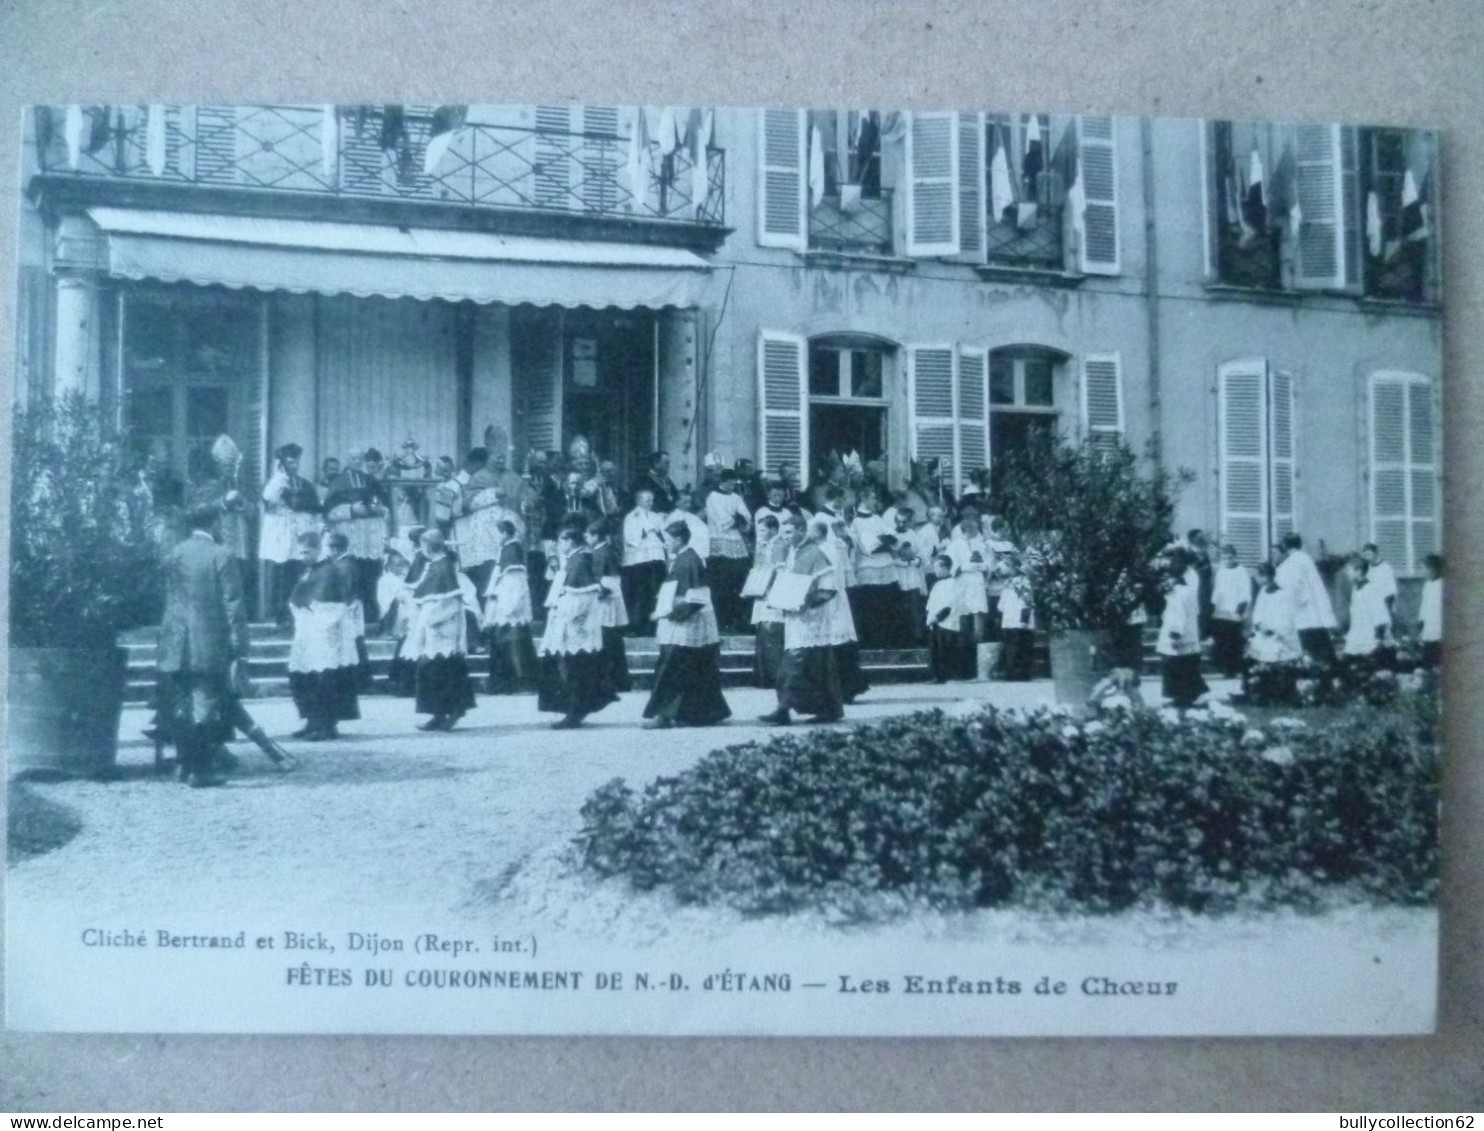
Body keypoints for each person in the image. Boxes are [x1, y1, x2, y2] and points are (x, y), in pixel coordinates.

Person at [156, 504, 251, 787]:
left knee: (182, 702)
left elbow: (170, 599)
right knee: (205, 702)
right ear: (215, 523)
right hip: (208, 641)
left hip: (175, 640)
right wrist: (240, 644)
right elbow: (233, 603)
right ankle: (201, 769)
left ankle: (185, 765)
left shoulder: (173, 555)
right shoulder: (221, 555)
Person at [642, 520, 733, 729]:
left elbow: (695, 599)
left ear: (678, 539)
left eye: (667, 540)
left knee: (671, 667)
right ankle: (705, 713)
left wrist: (671, 614)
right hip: (687, 620)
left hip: (686, 623)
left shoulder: (688, 560)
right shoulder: (684, 558)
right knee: (696, 667)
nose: (665, 544)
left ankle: (664, 715)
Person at [759, 515, 846, 725]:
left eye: (789, 532)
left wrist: (805, 603)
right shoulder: (792, 553)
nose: (785, 537)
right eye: (783, 532)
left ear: (801, 531)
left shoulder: (815, 553)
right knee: (811, 666)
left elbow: (828, 589)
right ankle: (828, 708)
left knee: (794, 665)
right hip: (795, 618)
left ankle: (784, 709)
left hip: (812, 619)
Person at [537, 524, 618, 729]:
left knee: (575, 668)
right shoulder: (573, 559)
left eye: (561, 540)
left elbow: (581, 597)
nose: (558, 544)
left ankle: (575, 713)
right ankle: (573, 711)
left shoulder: (580, 560)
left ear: (570, 541)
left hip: (575, 625)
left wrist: (561, 612)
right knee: (569, 667)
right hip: (568, 622)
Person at [286, 530, 362, 740]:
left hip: (325, 634)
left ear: (317, 549)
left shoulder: (329, 571)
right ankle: (312, 720)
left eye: (306, 552)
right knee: (302, 678)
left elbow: (334, 608)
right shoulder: (310, 570)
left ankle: (327, 725)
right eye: (300, 553)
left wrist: (315, 618)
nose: (302, 557)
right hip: (307, 630)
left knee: (324, 679)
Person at [402, 529, 477, 731]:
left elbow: (451, 601)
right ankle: (437, 714)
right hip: (432, 628)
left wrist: (432, 620)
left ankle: (451, 712)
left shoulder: (444, 566)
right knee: (432, 672)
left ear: (426, 547)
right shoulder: (434, 565)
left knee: (442, 671)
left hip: (442, 627)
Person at [324, 448, 391, 626]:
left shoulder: (371, 480)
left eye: (359, 458)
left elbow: (386, 506)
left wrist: (381, 510)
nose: (356, 461)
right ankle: (349, 619)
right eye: (353, 458)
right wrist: (351, 510)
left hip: (371, 536)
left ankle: (370, 618)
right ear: (347, 459)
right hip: (350, 533)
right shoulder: (338, 482)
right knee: (351, 574)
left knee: (372, 574)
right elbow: (329, 512)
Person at [259, 443, 322, 626]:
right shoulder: (275, 482)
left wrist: (302, 506)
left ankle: (296, 609)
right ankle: (278, 613)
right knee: (279, 571)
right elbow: (269, 499)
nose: (293, 466)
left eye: (296, 462)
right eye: (289, 462)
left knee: (296, 570)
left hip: (298, 532)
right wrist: (279, 475)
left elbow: (314, 505)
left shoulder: (303, 483)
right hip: (279, 532)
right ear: (281, 463)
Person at [481, 519, 539, 694]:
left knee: (514, 644)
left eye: (496, 534)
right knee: (502, 643)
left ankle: (520, 683)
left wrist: (504, 602)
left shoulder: (512, 550)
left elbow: (515, 583)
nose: (494, 538)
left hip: (509, 606)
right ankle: (502, 684)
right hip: (502, 604)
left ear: (505, 534)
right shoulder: (506, 549)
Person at [1275, 533, 1339, 672]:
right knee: (1323, 647)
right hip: (1315, 613)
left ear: (1285, 546)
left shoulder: (1293, 562)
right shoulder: (1306, 559)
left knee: (1307, 651)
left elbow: (1293, 588)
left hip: (1302, 613)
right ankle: (1333, 675)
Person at [848, 491, 901, 647]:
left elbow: (893, 538)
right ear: (864, 498)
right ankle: (872, 642)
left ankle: (885, 642)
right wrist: (884, 541)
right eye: (873, 497)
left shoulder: (877, 518)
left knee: (887, 607)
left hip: (886, 567)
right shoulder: (856, 522)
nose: (875, 499)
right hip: (868, 569)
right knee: (872, 607)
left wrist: (883, 540)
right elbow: (869, 547)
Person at [587, 517, 632, 696]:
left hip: (606, 599)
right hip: (608, 595)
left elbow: (609, 579)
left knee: (608, 640)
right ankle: (620, 680)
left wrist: (595, 592)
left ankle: (613, 680)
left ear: (596, 536)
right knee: (612, 640)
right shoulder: (603, 550)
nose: (587, 539)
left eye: (589, 536)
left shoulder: (602, 552)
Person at [1157, 549, 1207, 708]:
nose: (1172, 565)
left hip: (1180, 630)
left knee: (1178, 663)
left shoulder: (1182, 587)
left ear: (1183, 564)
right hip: (1184, 628)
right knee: (1184, 663)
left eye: (1176, 562)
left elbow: (1178, 613)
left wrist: (1175, 634)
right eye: (1171, 562)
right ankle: (1183, 695)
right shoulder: (1179, 584)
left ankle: (1183, 696)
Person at [705, 469, 753, 633]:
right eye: (730, 483)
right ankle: (721, 621)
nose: (733, 486)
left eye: (734, 484)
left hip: (735, 543)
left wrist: (740, 519)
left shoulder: (736, 497)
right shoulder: (713, 497)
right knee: (721, 586)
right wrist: (735, 518)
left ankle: (736, 620)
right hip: (719, 545)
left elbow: (745, 516)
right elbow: (720, 519)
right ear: (723, 482)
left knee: (737, 582)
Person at [748, 513, 788, 688]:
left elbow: (777, 571)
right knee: (764, 631)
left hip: (772, 591)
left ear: (773, 529)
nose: (761, 532)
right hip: (762, 590)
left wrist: (763, 586)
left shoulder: (779, 544)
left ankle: (774, 676)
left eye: (764, 529)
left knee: (771, 632)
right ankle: (763, 676)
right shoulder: (764, 544)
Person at [621, 487, 668, 634]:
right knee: (641, 594)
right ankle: (639, 626)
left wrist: (662, 523)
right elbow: (630, 538)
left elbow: (663, 533)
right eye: (647, 500)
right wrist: (647, 530)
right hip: (639, 561)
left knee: (656, 592)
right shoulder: (632, 516)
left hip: (656, 558)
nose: (650, 503)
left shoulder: (655, 515)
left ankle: (653, 626)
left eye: (652, 500)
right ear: (638, 500)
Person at [925, 554, 974, 683]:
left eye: (937, 567)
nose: (935, 570)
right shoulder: (937, 584)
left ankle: (946, 675)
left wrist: (937, 617)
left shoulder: (952, 584)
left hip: (945, 622)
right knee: (935, 650)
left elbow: (949, 605)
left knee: (944, 649)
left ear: (945, 567)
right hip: (935, 622)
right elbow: (932, 604)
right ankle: (937, 676)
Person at [1210, 543, 1253, 678]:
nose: (1227, 560)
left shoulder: (1241, 571)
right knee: (1221, 640)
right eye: (1225, 558)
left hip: (1235, 611)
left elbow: (1245, 592)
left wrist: (1240, 608)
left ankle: (1233, 668)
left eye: (1230, 557)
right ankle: (1223, 667)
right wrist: (1214, 605)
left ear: (1235, 557)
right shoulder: (1221, 571)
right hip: (1221, 610)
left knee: (1233, 641)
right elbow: (1217, 590)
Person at [1342, 555, 1393, 668]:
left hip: (1371, 637)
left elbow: (1380, 615)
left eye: (1349, 570)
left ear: (1359, 571)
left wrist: (1378, 639)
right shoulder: (1355, 589)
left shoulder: (1371, 589)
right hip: (1358, 635)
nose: (1347, 574)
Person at [996, 558, 1036, 681]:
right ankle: (1012, 673)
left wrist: (1023, 620)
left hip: (1019, 622)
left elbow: (1027, 603)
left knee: (1021, 648)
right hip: (1009, 621)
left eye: (1009, 567)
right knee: (1011, 648)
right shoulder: (1008, 584)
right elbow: (1001, 606)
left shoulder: (1024, 583)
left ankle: (1021, 673)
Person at [1416, 553, 1443, 677]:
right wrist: (1420, 625)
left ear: (1433, 569)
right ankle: (1428, 686)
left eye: (1424, 568)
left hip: (1439, 630)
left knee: (1439, 661)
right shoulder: (1427, 586)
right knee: (1427, 660)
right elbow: (1424, 608)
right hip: (1428, 629)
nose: (1422, 571)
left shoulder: (1442, 585)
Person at [635, 450, 681, 515]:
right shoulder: (643, 480)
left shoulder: (667, 480)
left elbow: (676, 496)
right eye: (666, 463)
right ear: (656, 463)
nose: (669, 466)